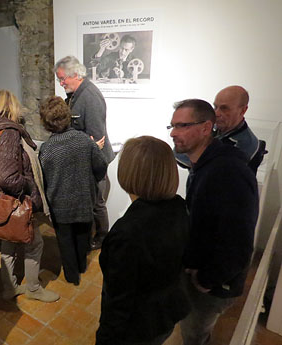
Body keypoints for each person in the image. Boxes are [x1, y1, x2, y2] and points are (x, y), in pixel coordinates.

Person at [169, 99, 259, 345]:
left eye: (182, 125)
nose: (173, 133)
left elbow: (238, 240)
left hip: (214, 284)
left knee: (195, 334)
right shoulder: (206, 165)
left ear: (206, 128)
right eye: (173, 126)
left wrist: (208, 279)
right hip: (205, 273)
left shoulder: (226, 172)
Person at [96, 136, 190, 345]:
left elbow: (118, 304)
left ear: (129, 173)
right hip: (166, 314)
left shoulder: (126, 234)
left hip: (138, 328)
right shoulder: (179, 207)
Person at [0, 89, 59, 303]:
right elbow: (7, 177)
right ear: (9, 107)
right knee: (34, 242)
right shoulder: (9, 132)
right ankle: (33, 288)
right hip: (15, 200)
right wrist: (29, 184)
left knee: (8, 242)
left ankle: (10, 287)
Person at [38, 96, 107, 285]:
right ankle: (82, 266)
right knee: (83, 236)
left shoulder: (47, 149)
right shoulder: (84, 141)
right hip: (84, 200)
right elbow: (100, 167)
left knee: (65, 241)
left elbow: (44, 179)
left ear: (46, 122)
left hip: (60, 205)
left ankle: (71, 275)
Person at [54, 55, 115, 250]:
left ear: (76, 75)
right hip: (84, 158)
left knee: (96, 202)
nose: (61, 83)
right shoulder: (75, 94)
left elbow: (96, 139)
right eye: (59, 79)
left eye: (63, 79)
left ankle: (102, 237)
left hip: (93, 161)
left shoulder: (89, 96)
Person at [175, 86, 266, 174]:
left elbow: (213, 171)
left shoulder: (246, 144)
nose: (216, 113)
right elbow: (178, 153)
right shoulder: (213, 127)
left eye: (224, 108)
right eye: (215, 107)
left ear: (243, 110)